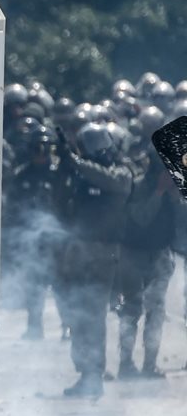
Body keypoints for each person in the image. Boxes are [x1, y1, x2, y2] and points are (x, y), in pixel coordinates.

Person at [54, 123, 134, 397]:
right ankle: (85, 372)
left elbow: (108, 179)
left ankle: (94, 376)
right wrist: (67, 166)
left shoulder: (121, 173)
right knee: (75, 314)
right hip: (76, 250)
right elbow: (61, 205)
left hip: (103, 254)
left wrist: (75, 162)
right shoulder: (82, 174)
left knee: (93, 316)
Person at [115, 107, 175, 378]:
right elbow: (140, 218)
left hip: (160, 255)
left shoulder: (175, 186)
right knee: (131, 310)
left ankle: (150, 364)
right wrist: (159, 192)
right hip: (134, 255)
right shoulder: (138, 185)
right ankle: (126, 364)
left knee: (157, 311)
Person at [6, 125, 59, 339]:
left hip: (58, 237)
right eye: (36, 148)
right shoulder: (21, 175)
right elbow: (13, 208)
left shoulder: (59, 173)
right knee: (34, 284)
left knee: (63, 285)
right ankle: (35, 326)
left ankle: (69, 326)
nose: (41, 153)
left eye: (44, 148)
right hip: (31, 238)